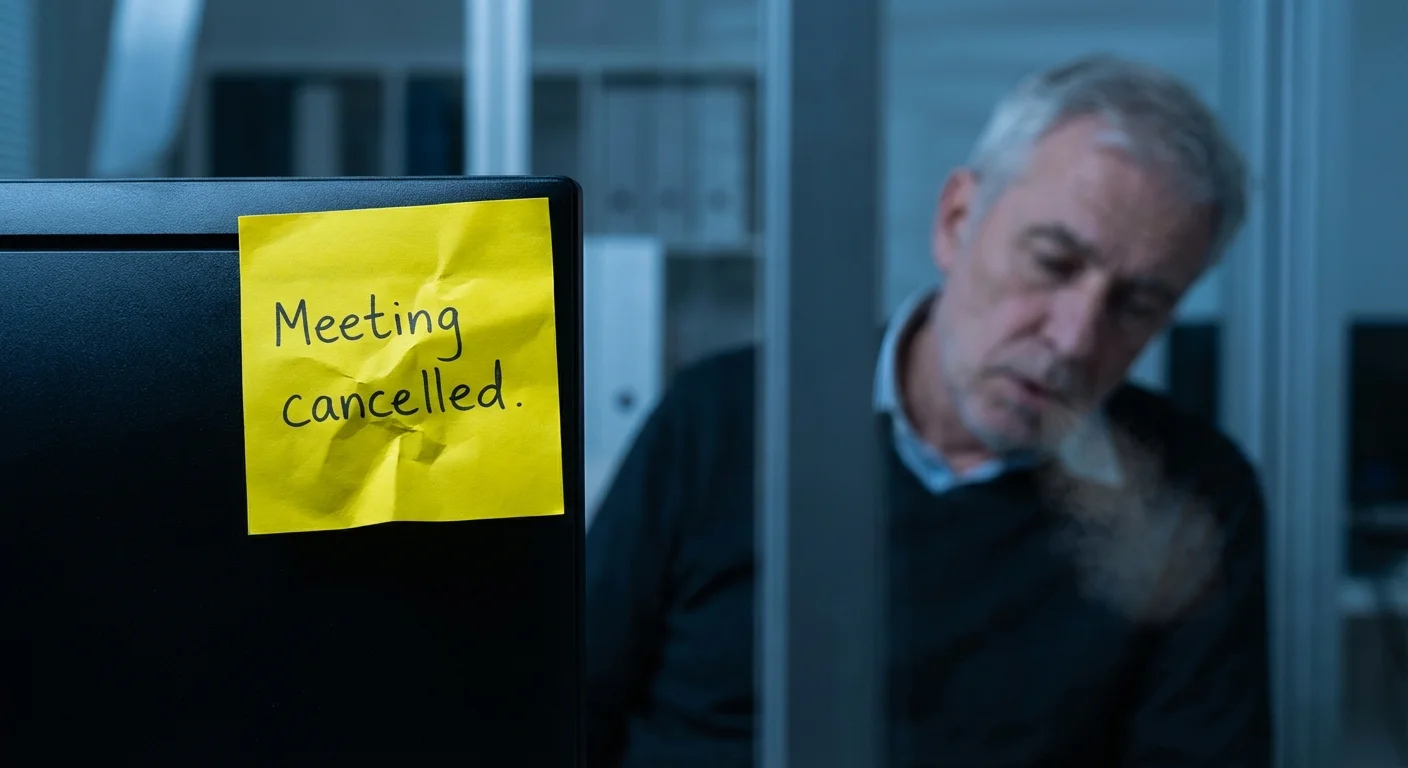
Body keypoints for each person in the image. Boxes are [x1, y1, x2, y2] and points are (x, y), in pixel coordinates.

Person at [585, 54, 1269, 767]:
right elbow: (564, 704)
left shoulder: (1190, 497)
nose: (1074, 340)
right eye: (1053, 264)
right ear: (956, 220)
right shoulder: (723, 418)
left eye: (1137, 306)